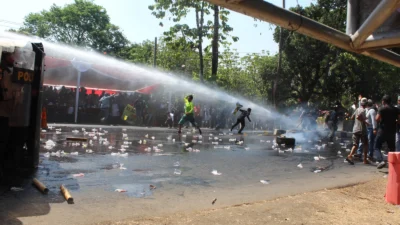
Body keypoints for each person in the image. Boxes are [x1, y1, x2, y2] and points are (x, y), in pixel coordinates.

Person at [375, 95, 400, 169]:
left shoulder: (381, 109)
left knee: (377, 146)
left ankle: (381, 160)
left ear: (383, 101)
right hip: (392, 131)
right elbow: (399, 120)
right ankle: (393, 165)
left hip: (382, 131)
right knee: (392, 149)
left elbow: (377, 119)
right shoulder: (396, 109)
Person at [346, 98, 369, 165]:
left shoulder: (357, 109)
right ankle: (365, 160)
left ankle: (349, 156)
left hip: (355, 129)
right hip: (362, 130)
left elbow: (352, 117)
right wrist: (365, 121)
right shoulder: (364, 110)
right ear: (366, 104)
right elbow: (358, 117)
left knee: (355, 145)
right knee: (365, 144)